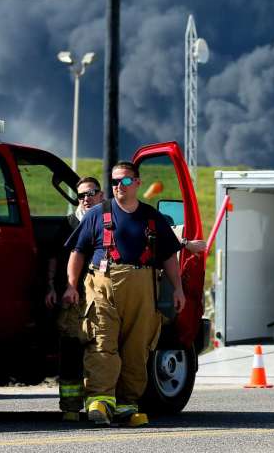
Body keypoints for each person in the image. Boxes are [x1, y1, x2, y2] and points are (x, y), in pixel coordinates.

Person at [62, 161, 207, 427]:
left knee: (137, 348)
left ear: (138, 183)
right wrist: (71, 286)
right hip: (102, 286)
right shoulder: (97, 215)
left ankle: (127, 405)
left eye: (126, 181)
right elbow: (78, 252)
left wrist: (178, 289)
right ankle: (100, 402)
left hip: (142, 289)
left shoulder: (152, 217)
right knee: (101, 342)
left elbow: (168, 256)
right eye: (115, 182)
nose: (119, 186)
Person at [44, 176, 104, 421]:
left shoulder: (108, 222)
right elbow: (53, 258)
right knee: (70, 350)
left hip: (100, 296)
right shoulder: (68, 224)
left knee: (99, 351)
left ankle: (98, 403)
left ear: (101, 195)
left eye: (91, 193)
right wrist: (51, 287)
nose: (86, 199)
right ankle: (70, 407)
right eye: (81, 195)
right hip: (72, 298)